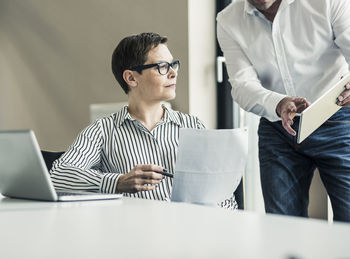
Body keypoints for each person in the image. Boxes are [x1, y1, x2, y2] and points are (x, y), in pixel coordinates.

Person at [50, 32, 237, 209]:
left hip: (190, 233)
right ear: (131, 78)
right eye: (162, 67)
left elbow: (222, 196)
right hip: (134, 236)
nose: (173, 73)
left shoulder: (193, 126)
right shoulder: (102, 131)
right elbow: (57, 176)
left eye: (173, 65)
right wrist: (118, 182)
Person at [217, 0, 350, 221]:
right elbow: (241, 85)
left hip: (337, 119)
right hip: (278, 129)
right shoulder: (228, 20)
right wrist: (277, 103)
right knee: (281, 224)